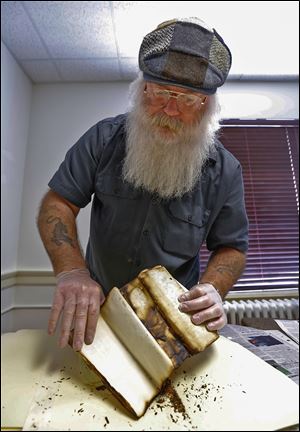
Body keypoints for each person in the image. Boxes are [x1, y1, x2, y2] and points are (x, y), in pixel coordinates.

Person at [37, 17, 248, 352]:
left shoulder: (225, 170)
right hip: (100, 312)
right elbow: (58, 203)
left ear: (207, 106)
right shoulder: (104, 139)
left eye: (188, 99)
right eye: (161, 92)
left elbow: (232, 247)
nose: (170, 109)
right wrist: (73, 272)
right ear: (142, 89)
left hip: (175, 322)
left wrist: (213, 288)